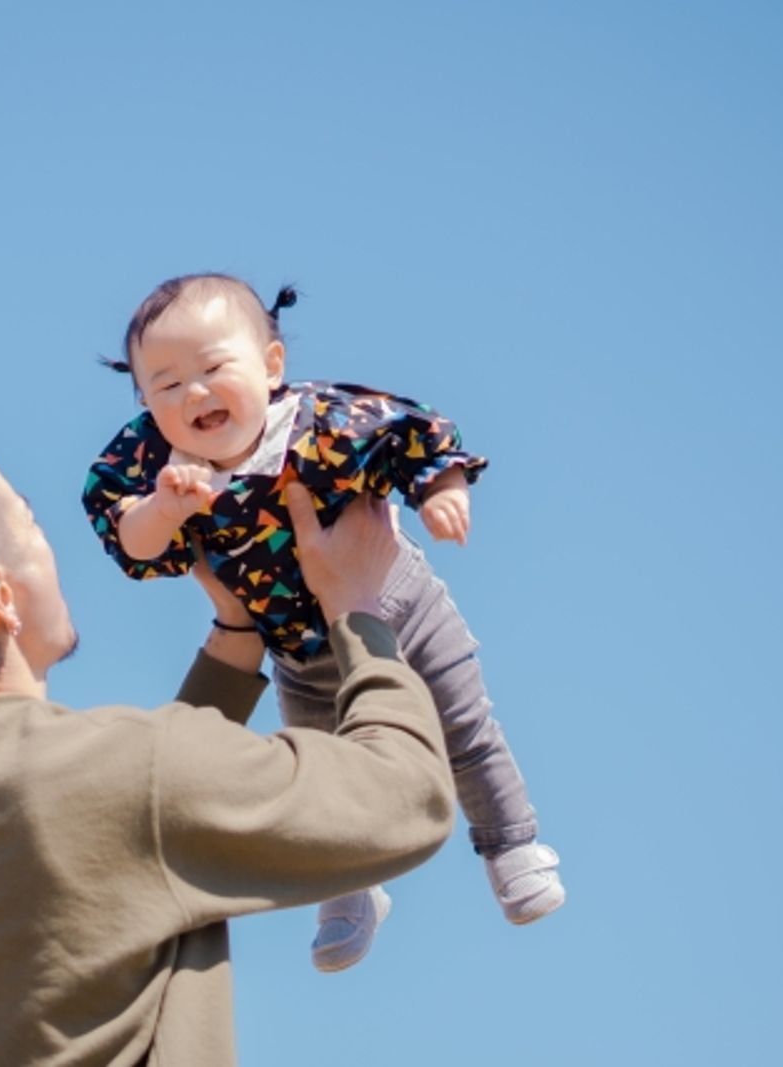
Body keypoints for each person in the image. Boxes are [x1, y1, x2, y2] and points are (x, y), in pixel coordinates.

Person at [0, 433, 458, 1067]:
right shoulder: (127, 773)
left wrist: (236, 632)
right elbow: (408, 797)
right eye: (30, 521)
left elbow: (115, 845)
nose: (49, 542)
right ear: (1, 596)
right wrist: (358, 609)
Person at [82, 273, 565, 973]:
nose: (193, 393)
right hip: (299, 652)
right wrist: (163, 509)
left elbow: (417, 436)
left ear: (272, 365)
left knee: (463, 731)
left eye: (214, 368)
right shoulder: (155, 463)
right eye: (164, 384)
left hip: (403, 605)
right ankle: (350, 891)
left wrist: (441, 492)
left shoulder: (323, 418)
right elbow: (130, 538)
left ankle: (511, 843)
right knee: (321, 778)